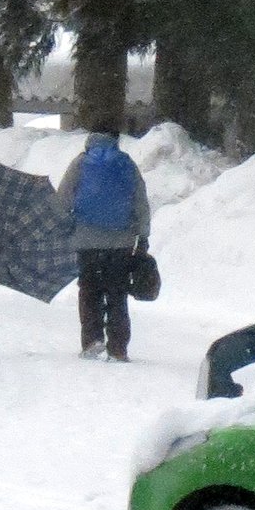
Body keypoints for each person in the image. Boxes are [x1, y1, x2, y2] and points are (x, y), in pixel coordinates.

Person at [54, 126, 151, 361]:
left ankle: (92, 341)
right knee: (117, 293)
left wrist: (65, 226)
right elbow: (140, 200)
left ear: (90, 140)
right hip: (121, 241)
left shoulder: (80, 163)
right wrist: (143, 235)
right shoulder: (126, 164)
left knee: (89, 290)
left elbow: (63, 199)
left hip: (86, 241)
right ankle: (118, 348)